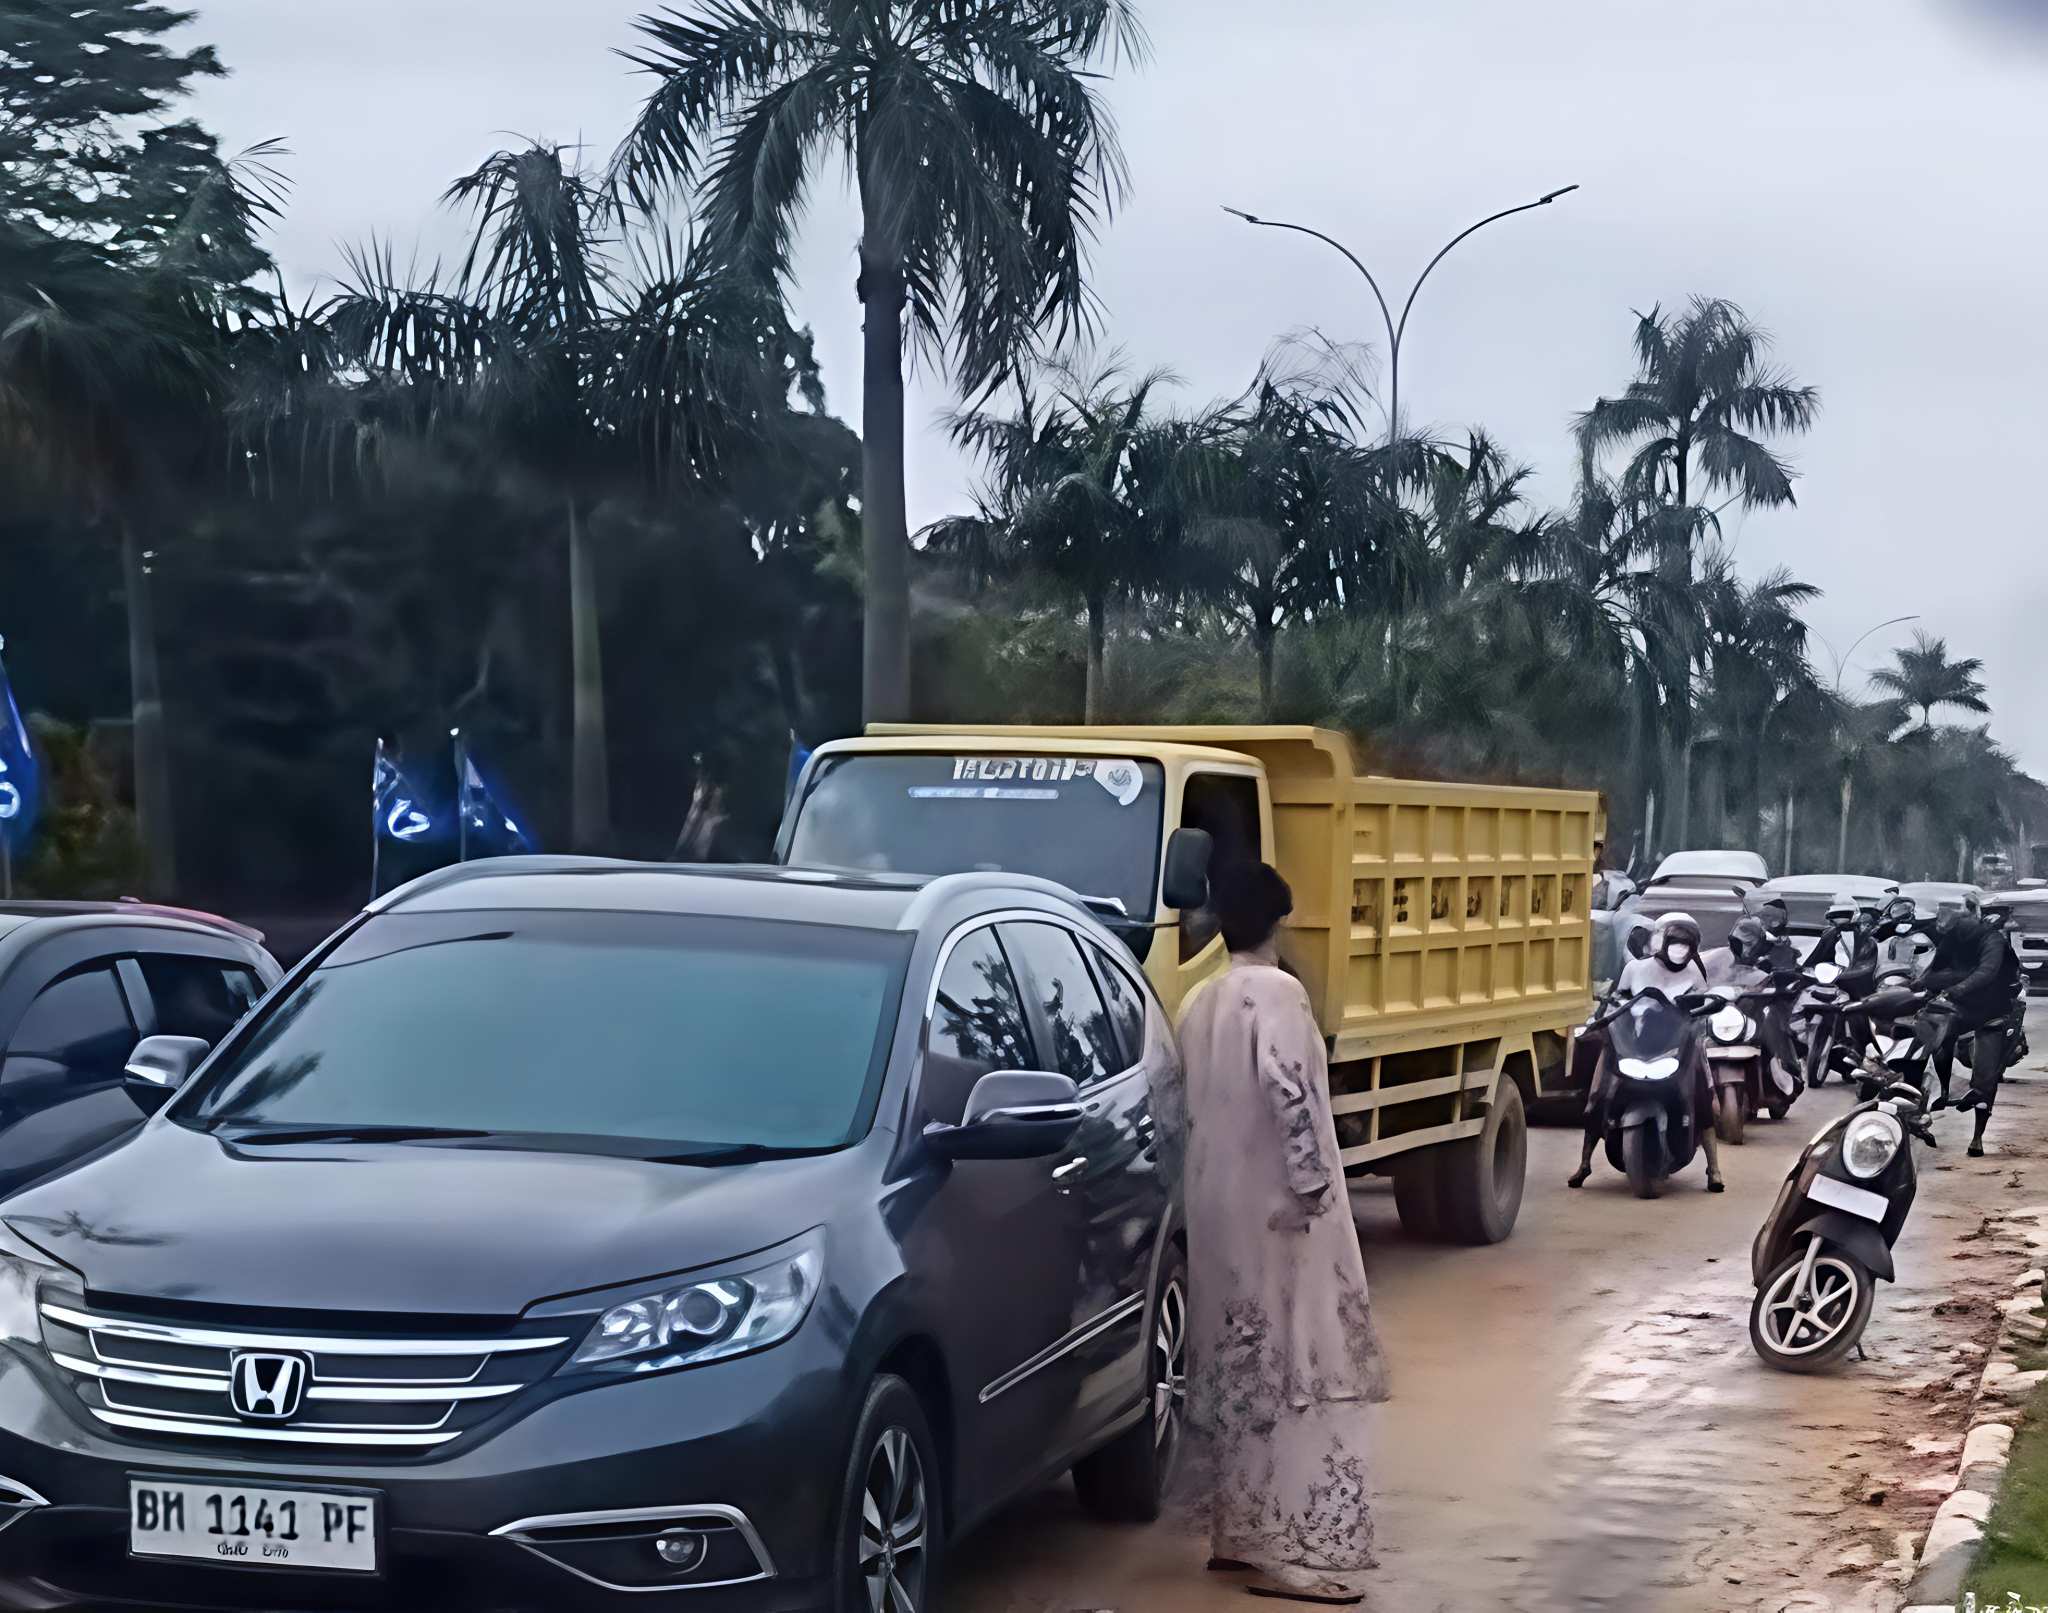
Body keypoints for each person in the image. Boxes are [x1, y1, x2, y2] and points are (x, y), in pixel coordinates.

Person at [1176, 860, 1387, 1606]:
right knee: (1294, 1369)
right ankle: (1288, 1553)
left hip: (1213, 1210)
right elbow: (1289, 1089)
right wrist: (1314, 1190)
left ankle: (1235, 1535)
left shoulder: (1198, 1001)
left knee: (1237, 1363)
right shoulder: (1279, 994)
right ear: (1278, 922)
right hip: (1276, 1212)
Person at [1568, 913, 1725, 1192]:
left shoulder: (1694, 975)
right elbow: (1615, 1002)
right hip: (1632, 1041)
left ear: (1693, 948)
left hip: (1677, 1043)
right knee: (1598, 1095)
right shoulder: (1636, 970)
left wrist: (1702, 1019)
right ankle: (1584, 1163)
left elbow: (1703, 1009)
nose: (1680, 948)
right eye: (1675, 942)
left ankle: (1713, 1169)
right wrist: (1600, 1019)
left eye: (1686, 944)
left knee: (1703, 1096)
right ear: (1662, 942)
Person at [1920, 905, 2023, 1156]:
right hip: (1960, 1008)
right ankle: (1943, 1090)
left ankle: (1978, 1136)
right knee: (1932, 1034)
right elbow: (1929, 974)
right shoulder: (1949, 941)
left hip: (1994, 1010)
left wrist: (1954, 985)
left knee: (1985, 1078)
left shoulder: (1993, 940)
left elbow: (1986, 974)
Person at [1703, 917, 1803, 1099]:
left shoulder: (1770, 962)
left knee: (1771, 1033)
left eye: (1751, 944)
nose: (1746, 948)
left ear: (1760, 946)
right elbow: (1698, 977)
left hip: (1752, 1017)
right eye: (1741, 943)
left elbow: (1788, 979)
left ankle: (1786, 1076)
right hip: (1721, 1018)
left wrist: (1780, 986)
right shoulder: (1717, 958)